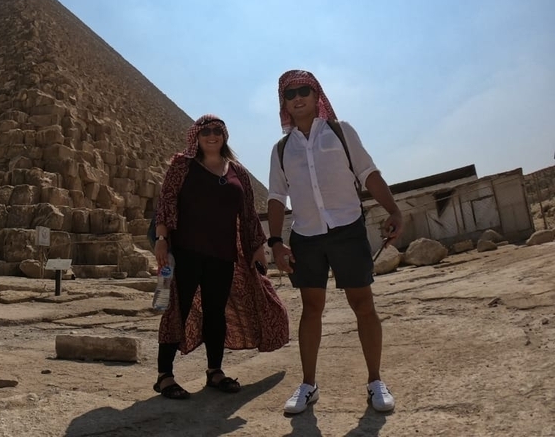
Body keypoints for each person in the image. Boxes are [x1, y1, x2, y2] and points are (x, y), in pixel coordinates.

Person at [267, 70, 404, 415]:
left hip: (347, 228)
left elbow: (368, 173)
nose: (297, 97)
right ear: (283, 102)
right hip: (307, 236)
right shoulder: (281, 149)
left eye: (304, 90)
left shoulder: (341, 132)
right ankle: (308, 385)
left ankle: (375, 381)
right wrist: (276, 242)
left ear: (317, 95)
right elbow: (276, 197)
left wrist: (393, 210)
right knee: (311, 309)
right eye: (289, 93)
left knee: (363, 305)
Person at [152, 114, 289, 399]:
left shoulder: (237, 171)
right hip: (185, 252)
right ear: (196, 136)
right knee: (177, 309)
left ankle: (215, 371)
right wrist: (162, 240)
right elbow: (166, 203)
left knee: (216, 314)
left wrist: (256, 249)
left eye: (218, 131)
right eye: (206, 131)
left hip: (223, 255)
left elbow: (249, 214)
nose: (212, 136)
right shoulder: (182, 165)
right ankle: (165, 376)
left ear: (225, 136)